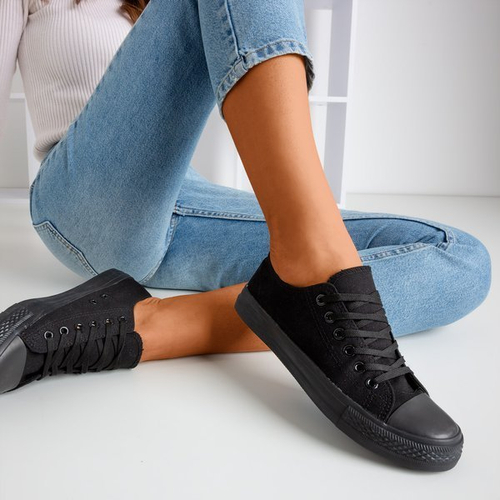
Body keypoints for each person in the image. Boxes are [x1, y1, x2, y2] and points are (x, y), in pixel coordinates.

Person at [0, 0, 491, 471]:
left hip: (185, 199)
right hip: (86, 202)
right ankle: (311, 270)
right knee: (332, 259)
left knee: (461, 259)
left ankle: (146, 323)